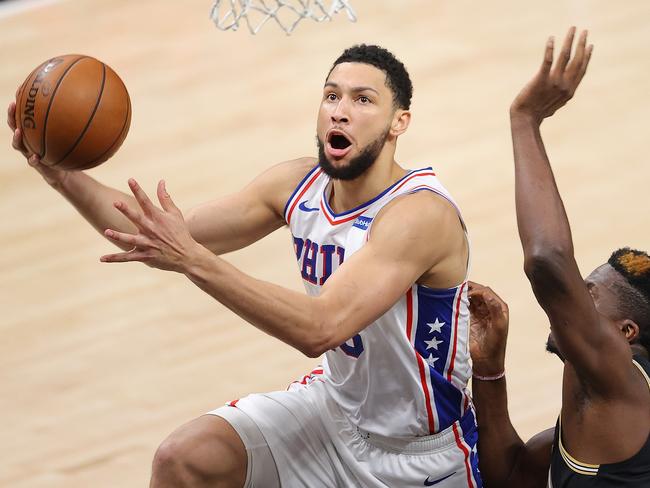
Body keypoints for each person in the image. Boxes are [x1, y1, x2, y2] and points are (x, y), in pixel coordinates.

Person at [9, 45, 481, 487]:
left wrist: (194, 261)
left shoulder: (419, 215)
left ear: (399, 122)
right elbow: (160, 232)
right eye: (331, 95)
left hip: (417, 455)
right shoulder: (298, 184)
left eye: (363, 100)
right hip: (335, 413)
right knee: (184, 459)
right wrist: (57, 172)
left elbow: (321, 328)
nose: (339, 110)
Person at [468, 27, 650, 487]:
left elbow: (547, 261)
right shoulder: (592, 413)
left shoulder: (623, 386)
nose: (573, 294)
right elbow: (509, 475)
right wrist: (490, 372)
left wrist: (525, 119)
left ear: (625, 334)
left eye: (589, 293)